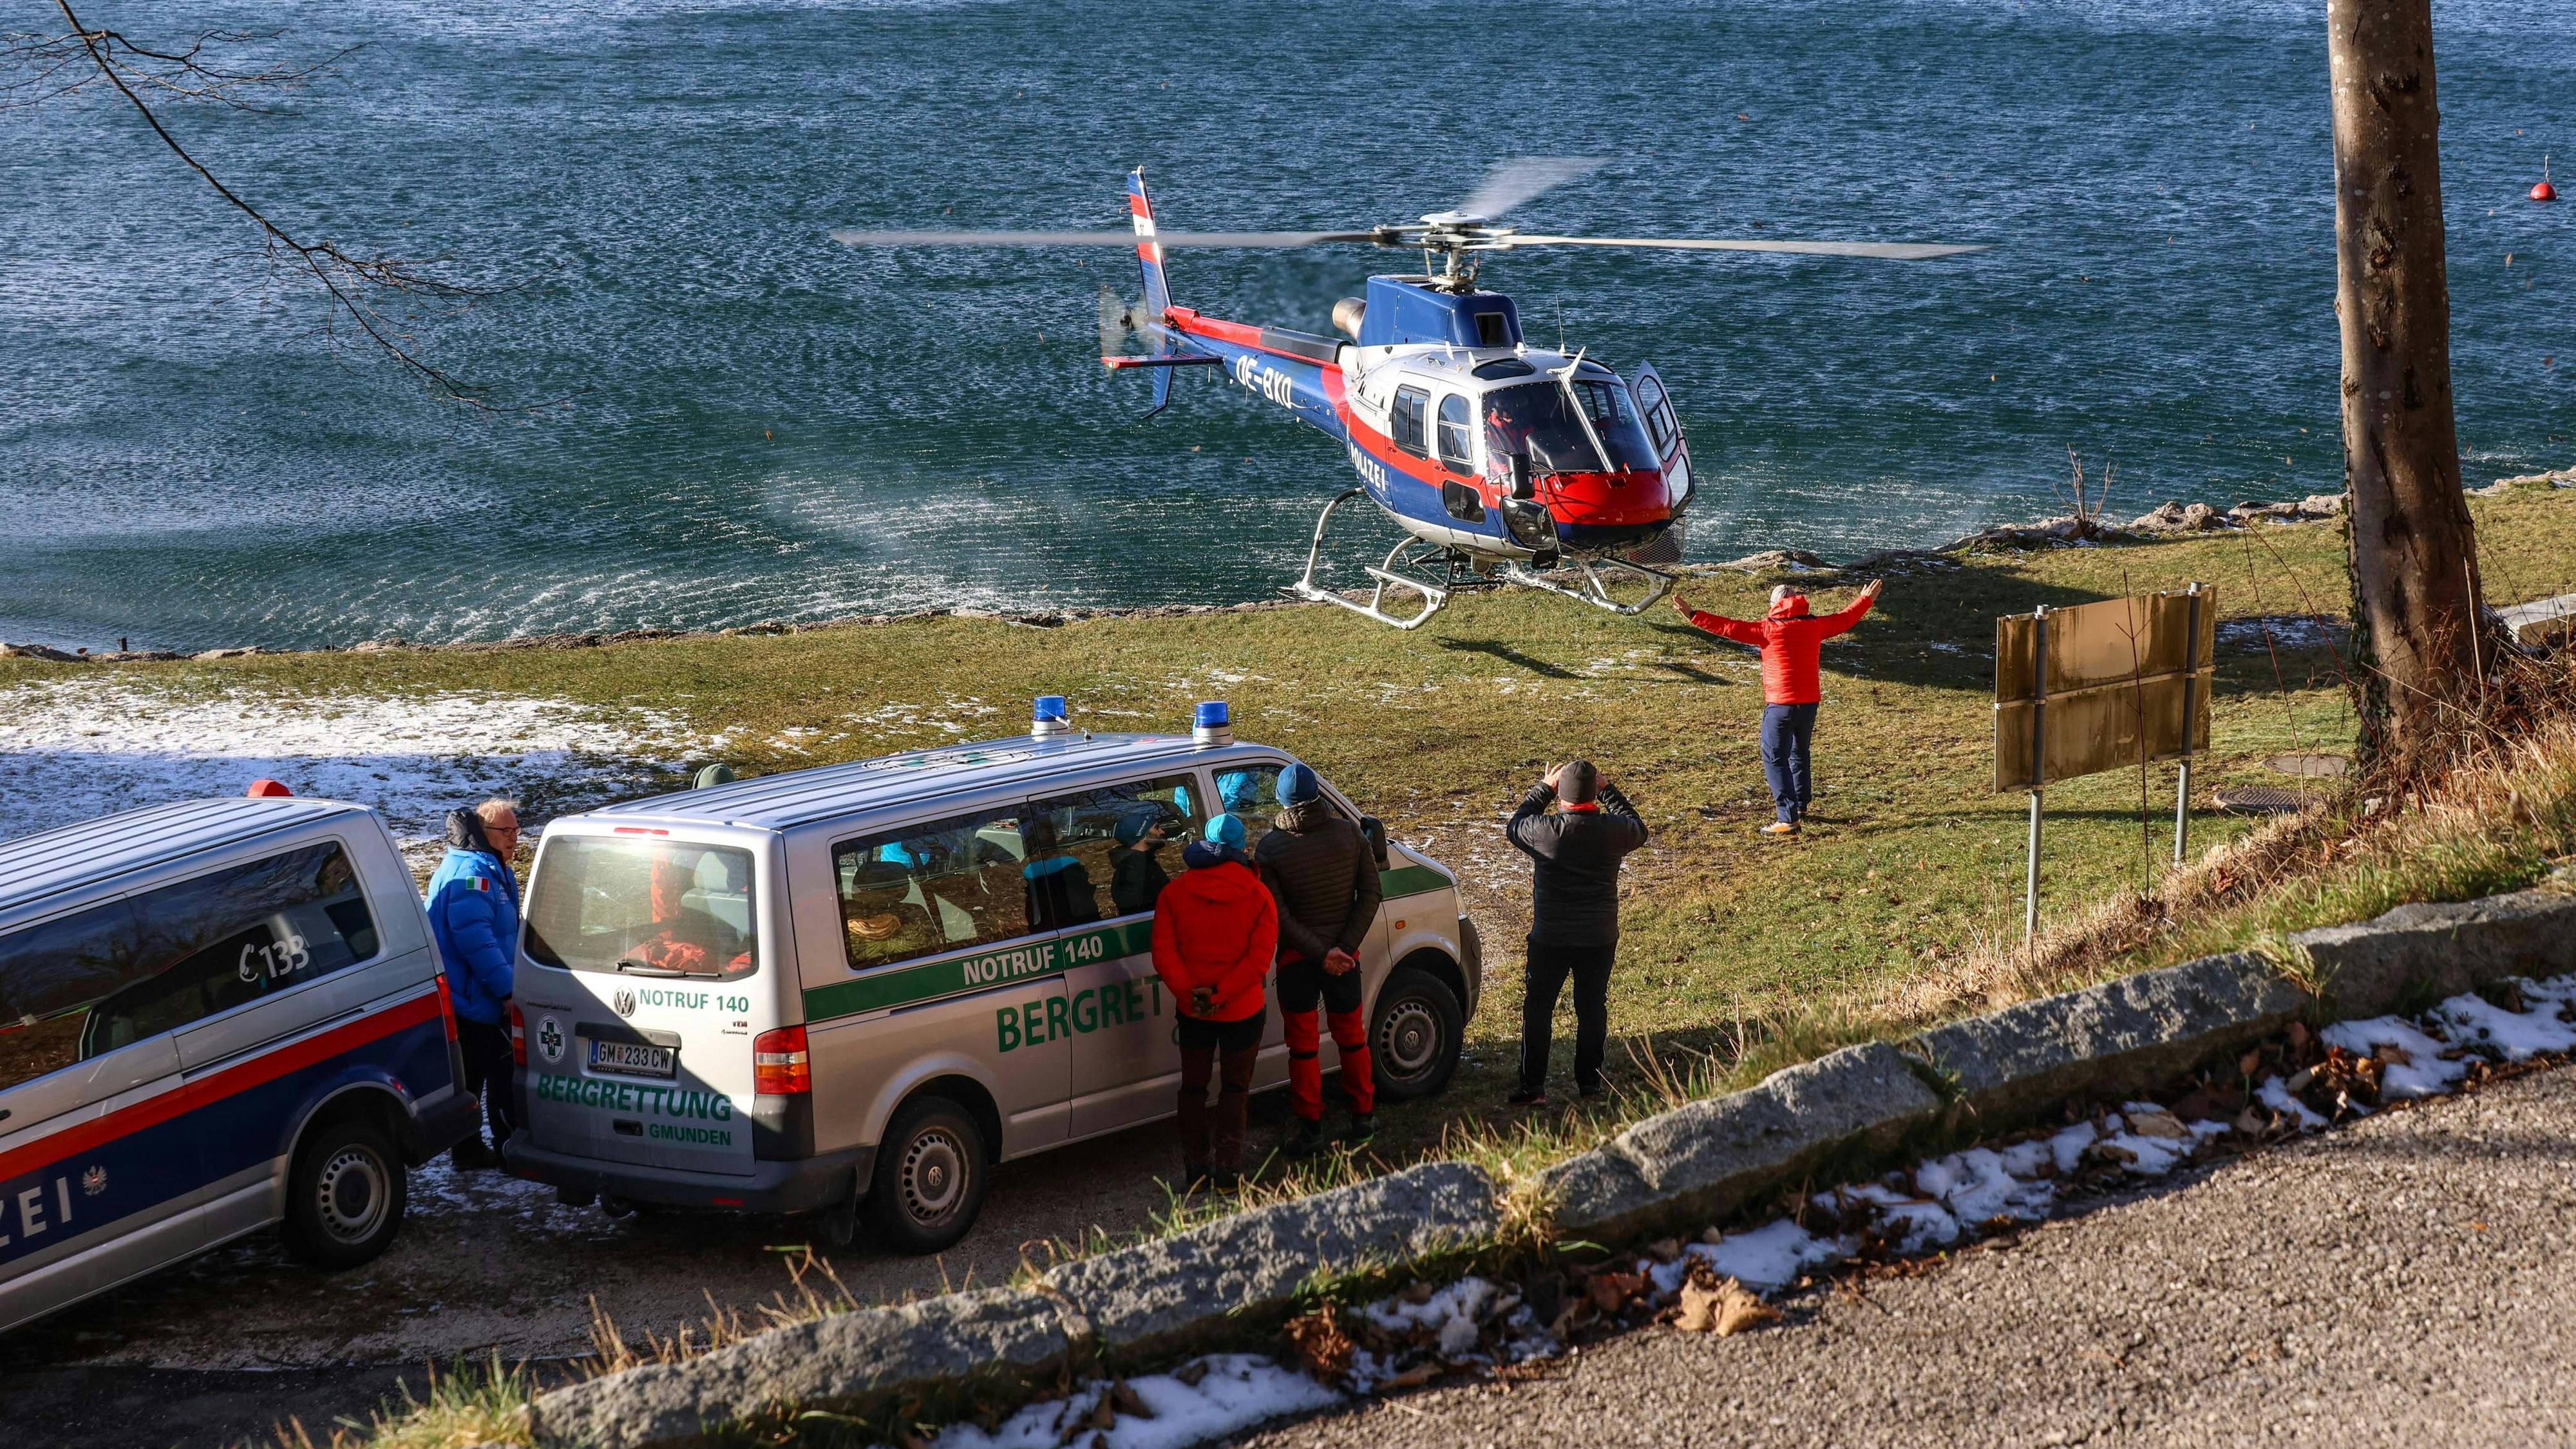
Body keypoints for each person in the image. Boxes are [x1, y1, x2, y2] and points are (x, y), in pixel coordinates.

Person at [1674, 578, 1883, 835]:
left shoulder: (1767, 629)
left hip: (1781, 704)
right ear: (1797, 602)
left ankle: (1788, 818)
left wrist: (1693, 615)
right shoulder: (1815, 626)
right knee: (1799, 751)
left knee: (1774, 757)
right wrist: (1865, 600)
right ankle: (1801, 804)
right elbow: (1844, 619)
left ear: (1774, 605)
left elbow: (1728, 627)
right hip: (1809, 702)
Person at [1254, 764, 1383, 1154]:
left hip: (1297, 960)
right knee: (1353, 1039)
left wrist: (1318, 952)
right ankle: (1363, 1117)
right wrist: (1342, 948)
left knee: (1304, 1047)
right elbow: (1371, 895)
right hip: (1345, 958)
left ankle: (1312, 1127)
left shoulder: (1271, 849)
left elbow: (1280, 917)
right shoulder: (1350, 835)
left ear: (1281, 799)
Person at [1504, 761, 1647, 1106]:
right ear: (1593, 796)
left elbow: (1514, 826)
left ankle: (1533, 1087)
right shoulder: (1612, 831)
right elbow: (1639, 828)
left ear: (1562, 798)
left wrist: (1543, 789)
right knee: (1592, 1009)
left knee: (1538, 1010)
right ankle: (1590, 1085)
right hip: (1598, 937)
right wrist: (1609, 789)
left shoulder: (1545, 832)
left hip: (1550, 938)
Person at [1150, 813, 1277, 1190]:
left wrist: (1192, 994)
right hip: (1243, 1010)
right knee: (1235, 1090)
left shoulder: (1173, 893)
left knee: (1193, 1088)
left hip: (1193, 1011)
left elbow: (1163, 952)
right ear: (1242, 849)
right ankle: (1228, 1171)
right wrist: (1223, 995)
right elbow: (1258, 961)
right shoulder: (1259, 895)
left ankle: (1196, 1169)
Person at [424, 797, 524, 1168]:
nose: (514, 837)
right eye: (506, 831)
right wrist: (507, 991)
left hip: (471, 996)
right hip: (475, 999)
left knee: (474, 1076)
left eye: (516, 829)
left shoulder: (487, 867)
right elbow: (476, 941)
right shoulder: (473, 876)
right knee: (500, 1073)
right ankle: (508, 1147)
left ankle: (468, 1150)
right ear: (484, 833)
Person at [1019, 814, 1099, 928]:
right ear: (1056, 841)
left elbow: (1034, 924)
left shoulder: (1033, 886)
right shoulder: (1073, 874)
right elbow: (1089, 916)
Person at [1109, 810, 1173, 916]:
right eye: (1157, 828)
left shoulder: (1141, 863)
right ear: (1143, 835)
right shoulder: (1133, 868)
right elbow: (1136, 912)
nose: (1162, 832)